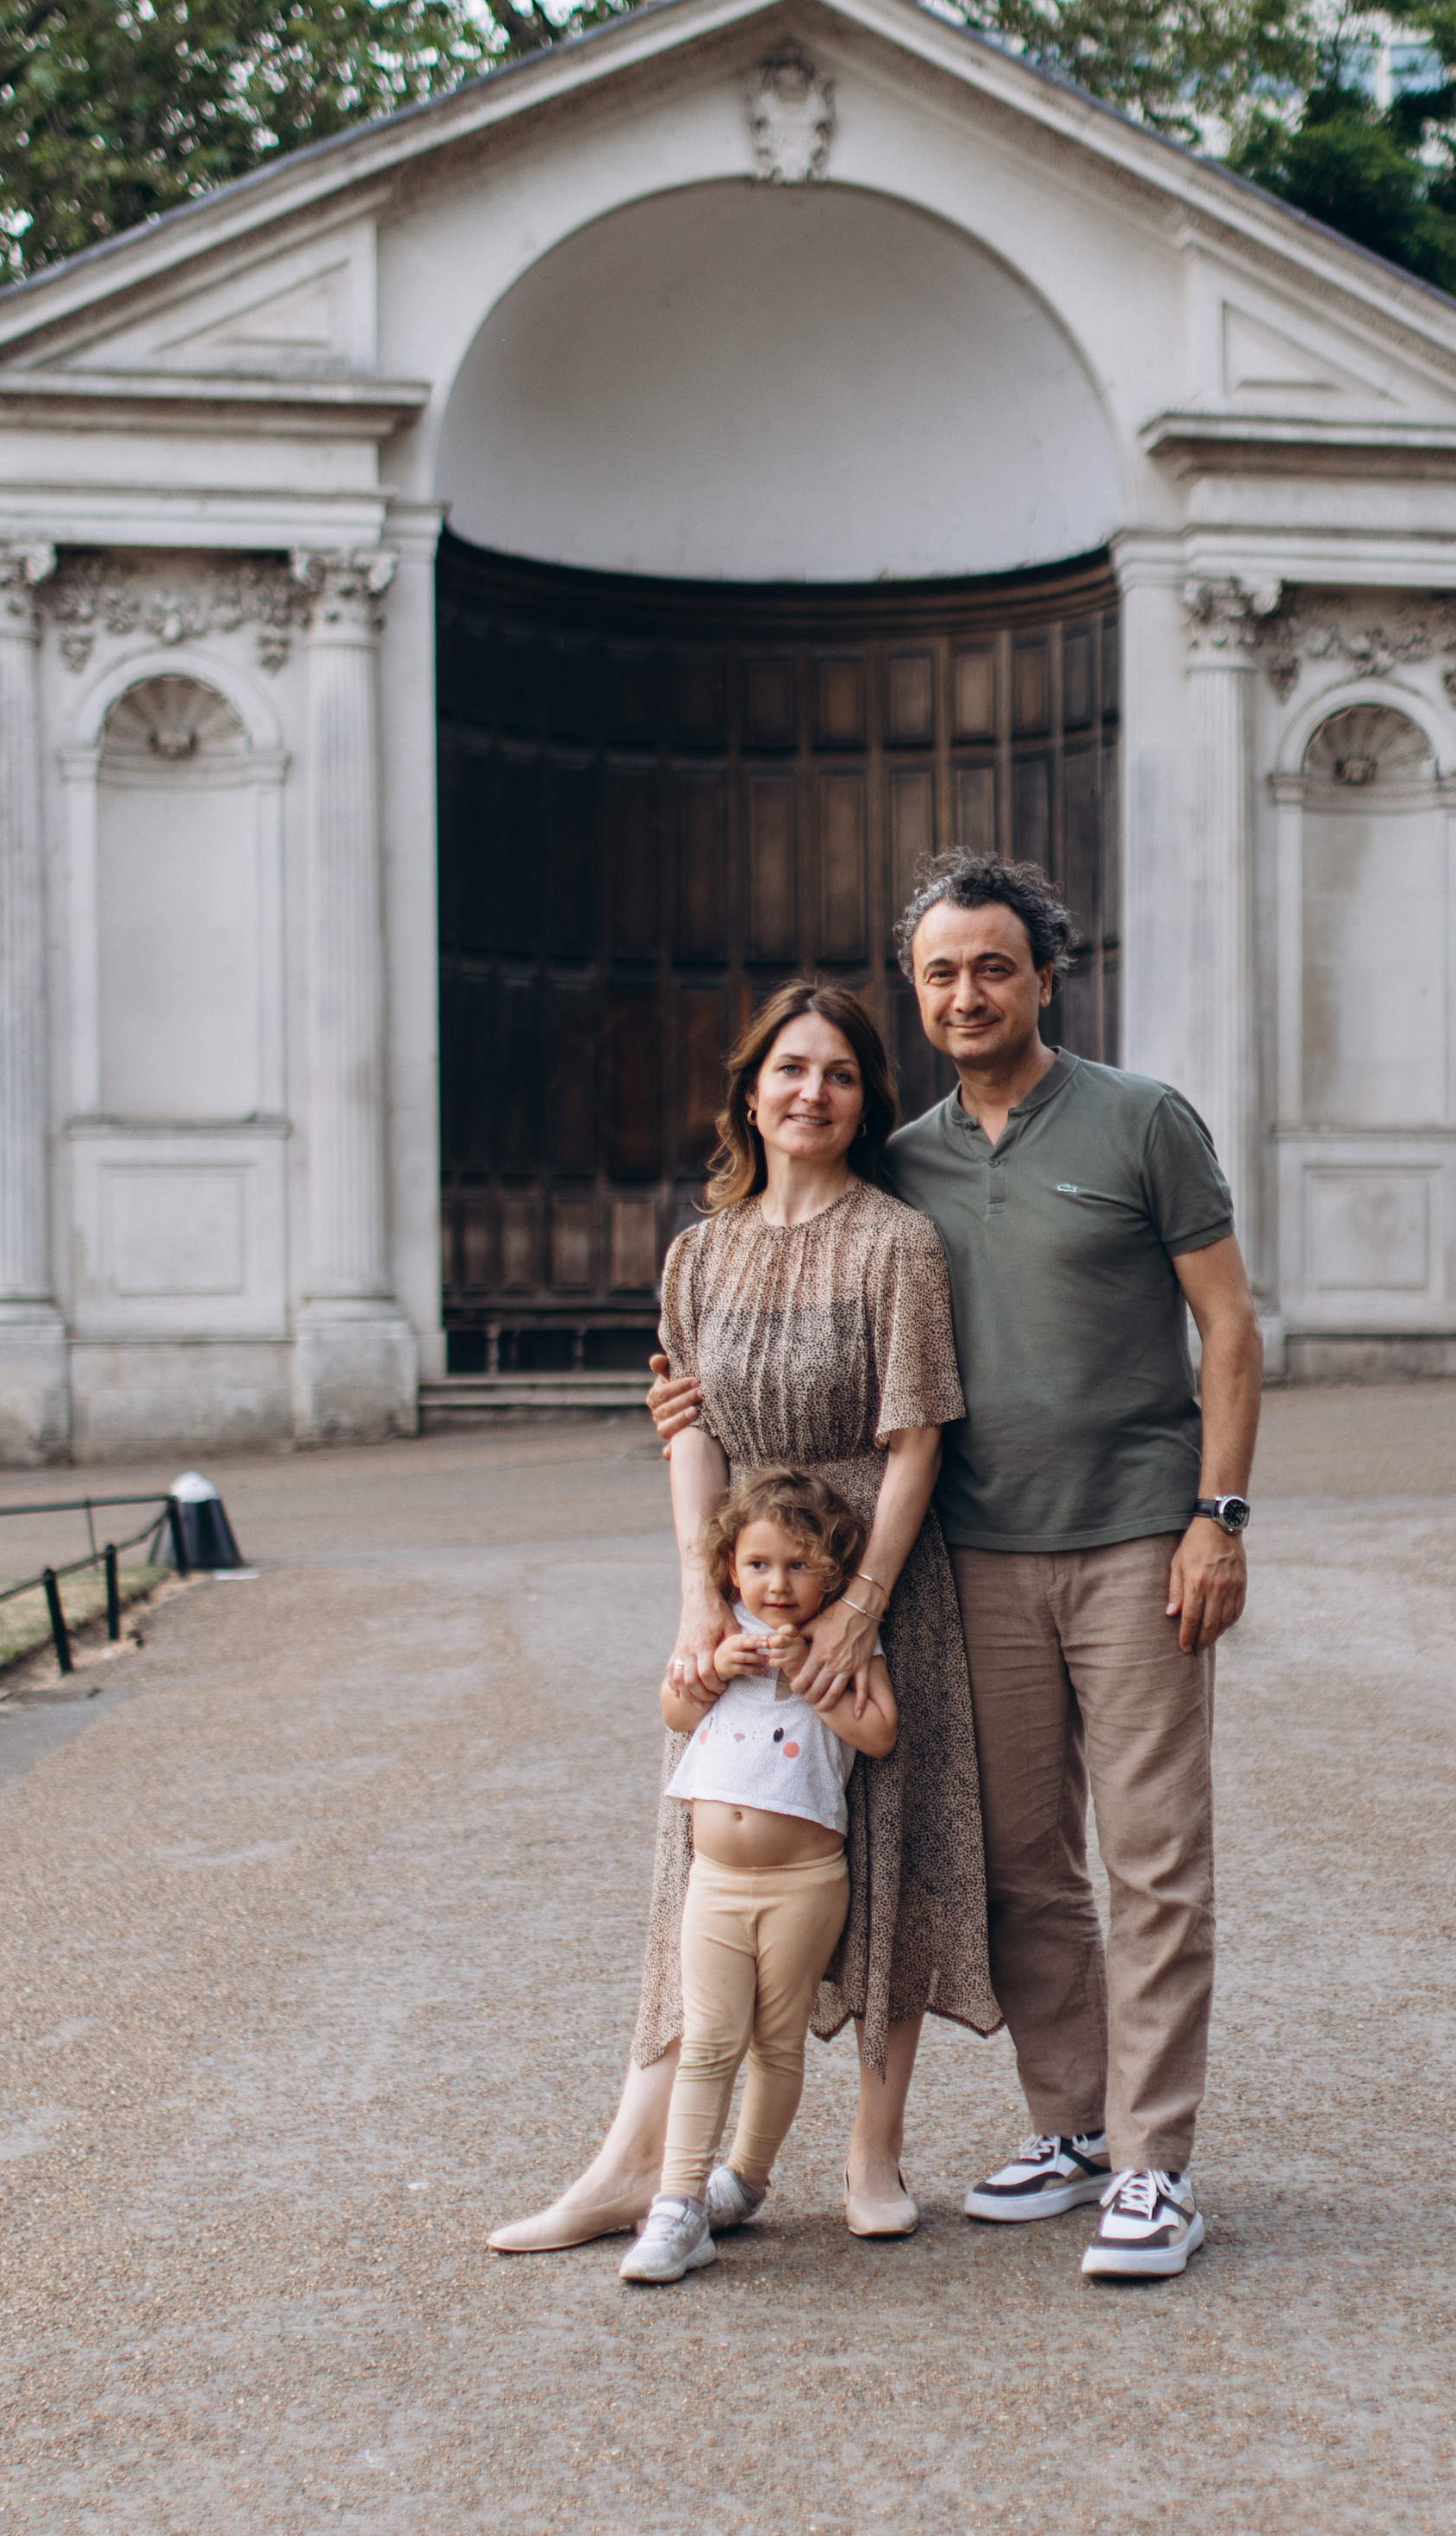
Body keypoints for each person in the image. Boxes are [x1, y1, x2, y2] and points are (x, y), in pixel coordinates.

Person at [649, 851, 1261, 2283]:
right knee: (1023, 1864)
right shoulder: (903, 1159)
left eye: (994, 966)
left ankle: (1159, 2167)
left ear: (1047, 973)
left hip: (1135, 1537)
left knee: (1156, 1854)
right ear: (915, 993)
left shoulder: (1141, 1120)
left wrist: (1219, 1514)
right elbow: (792, 1276)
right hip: (976, 1557)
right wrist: (687, 1399)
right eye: (939, 972)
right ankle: (1074, 2125)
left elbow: (1228, 1327)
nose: (967, 992)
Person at [488, 982, 999, 2255]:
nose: (810, 1091)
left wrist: (864, 1610)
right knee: (698, 1863)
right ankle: (632, 2162)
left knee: (891, 1852)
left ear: (864, 1098)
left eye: (836, 1073)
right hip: (744, 1587)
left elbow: (917, 1436)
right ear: (751, 1090)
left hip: (875, 1583)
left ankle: (872, 2156)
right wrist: (698, 1604)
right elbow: (690, 1435)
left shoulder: (897, 1243)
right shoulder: (698, 1252)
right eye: (788, 1069)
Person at [621, 1468, 899, 2285]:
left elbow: (878, 1733)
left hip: (807, 1882)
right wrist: (715, 1668)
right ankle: (678, 2206)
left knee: (777, 2042)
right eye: (759, 1566)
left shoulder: (847, 1645)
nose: (777, 1585)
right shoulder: (720, 1632)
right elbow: (674, 1713)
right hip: (714, 1879)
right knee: (709, 2039)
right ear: (731, 1568)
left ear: (834, 1574)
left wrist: (809, 1675)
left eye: (799, 1567)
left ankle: (743, 2181)